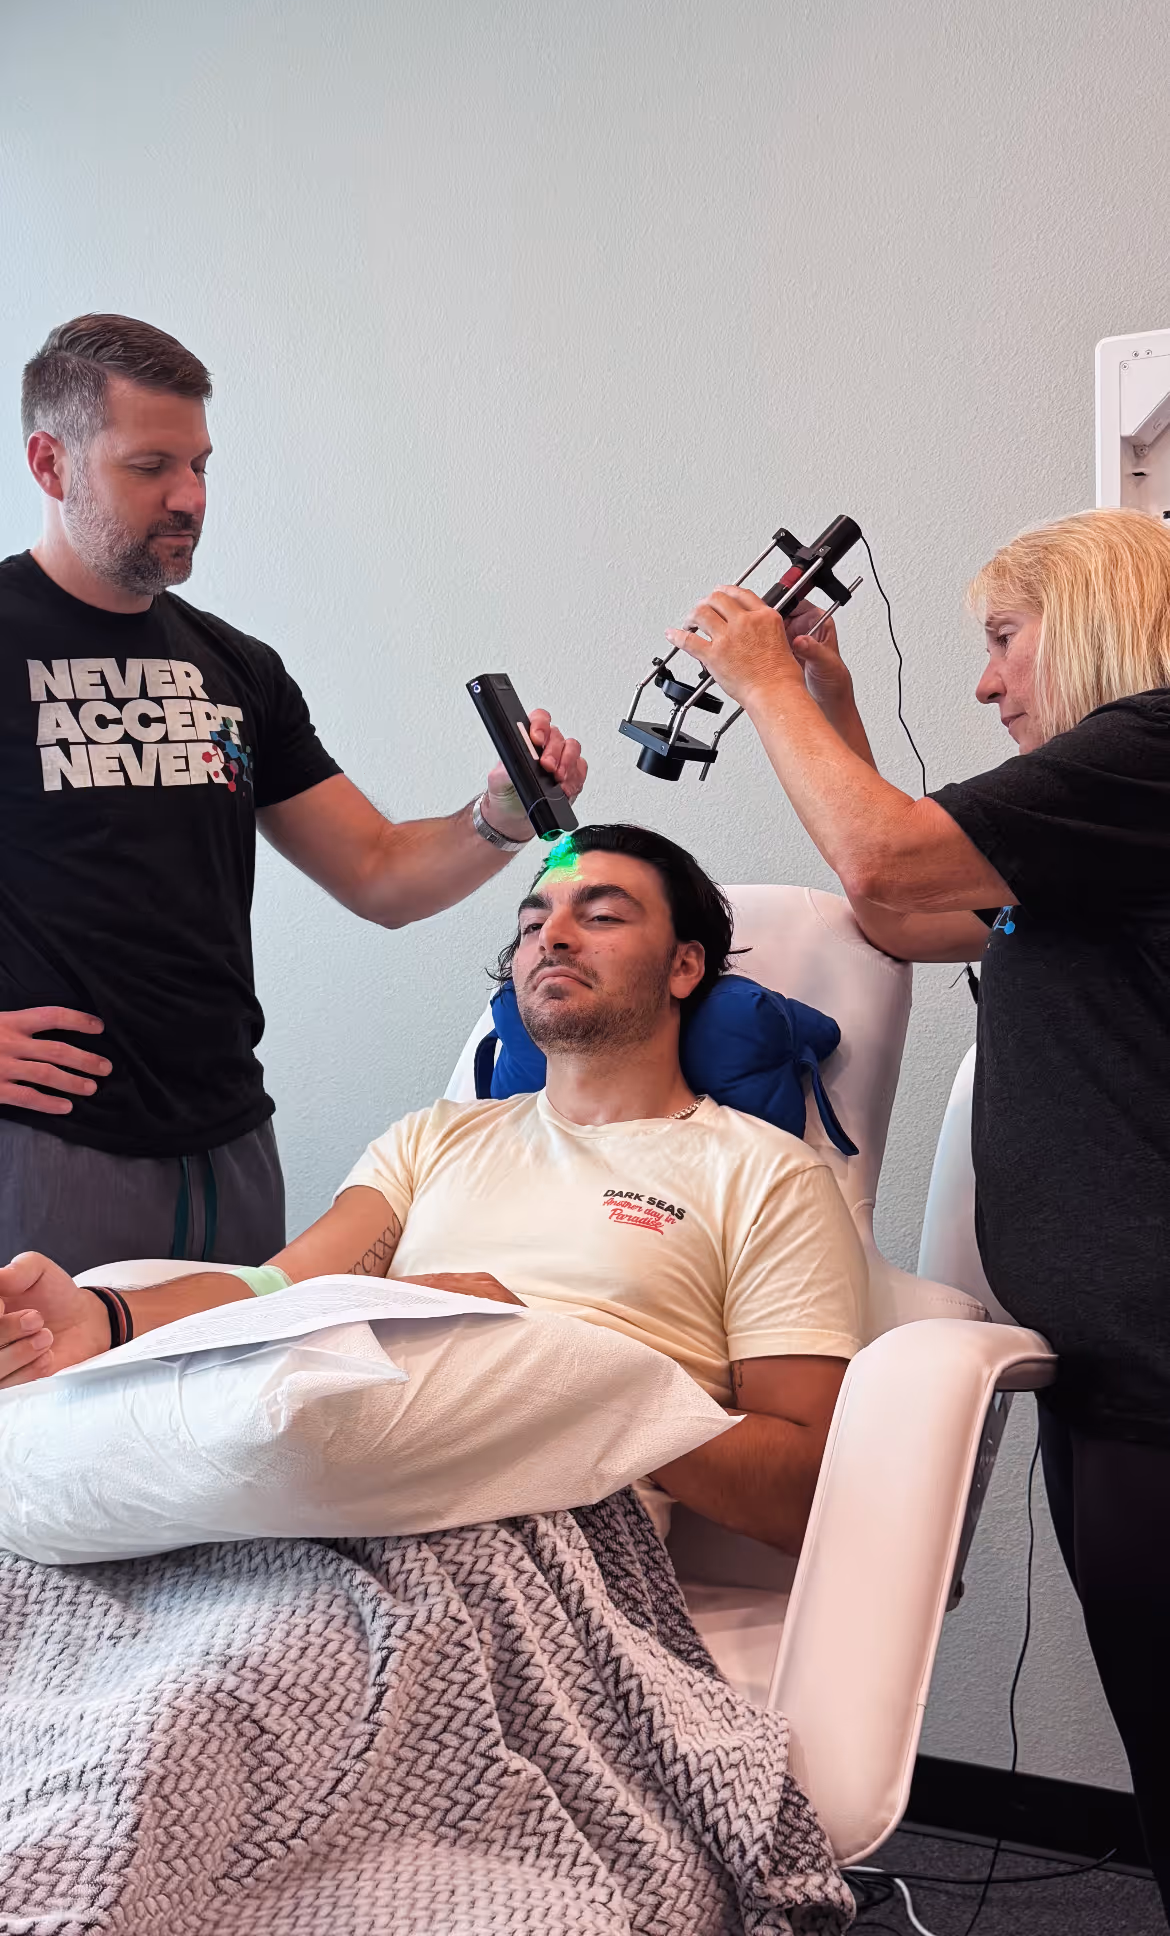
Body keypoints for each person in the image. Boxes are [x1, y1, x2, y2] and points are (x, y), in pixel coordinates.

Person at [668, 507, 1170, 1901]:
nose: (987, 682)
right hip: (1119, 1378)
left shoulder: (1152, 749)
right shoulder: (1104, 829)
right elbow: (905, 913)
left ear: (1096, 619)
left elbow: (885, 866)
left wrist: (760, 680)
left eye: (1005, 639)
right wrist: (826, 704)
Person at [0, 822, 867, 1554]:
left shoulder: (765, 1173)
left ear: (684, 968)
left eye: (601, 916)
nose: (554, 938)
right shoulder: (436, 1138)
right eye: (533, 923)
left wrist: (567, 1376)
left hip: (549, 1529)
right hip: (322, 1506)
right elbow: (277, 1290)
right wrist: (101, 1319)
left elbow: (803, 1489)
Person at [0, 315, 585, 1277]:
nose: (189, 497)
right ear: (49, 463)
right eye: (151, 467)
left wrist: (501, 818)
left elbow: (379, 873)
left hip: (230, 1143)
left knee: (248, 1380)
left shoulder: (236, 667)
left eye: (200, 465)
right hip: (48, 1147)